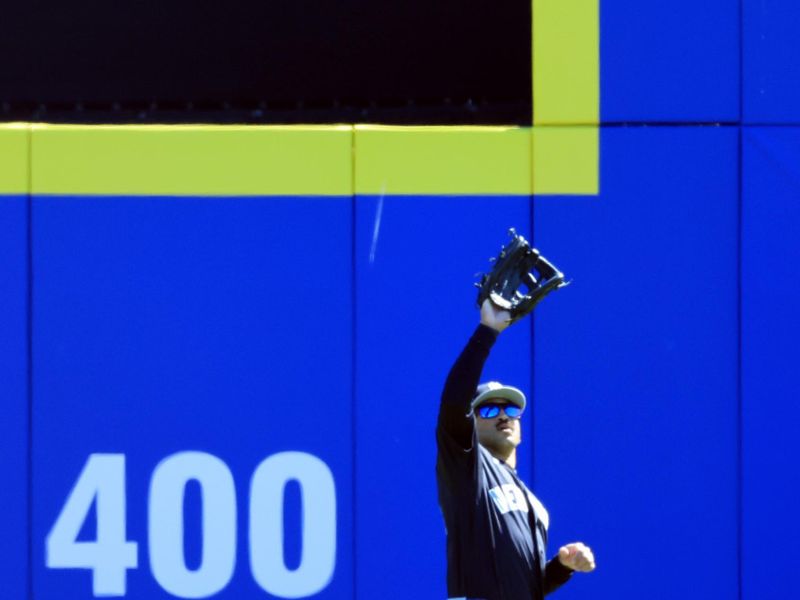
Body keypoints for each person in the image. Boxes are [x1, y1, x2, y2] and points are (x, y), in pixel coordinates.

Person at [436, 299, 595, 600]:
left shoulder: (532, 501)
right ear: (471, 422)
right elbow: (454, 404)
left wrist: (562, 567)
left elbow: (526, 589)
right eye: (488, 411)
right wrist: (487, 331)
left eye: (509, 409)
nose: (502, 416)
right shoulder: (467, 469)